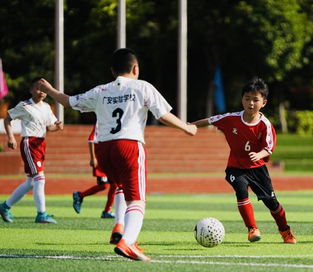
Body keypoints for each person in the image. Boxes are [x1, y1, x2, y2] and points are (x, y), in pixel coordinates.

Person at [38, 48, 197, 261]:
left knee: (121, 187)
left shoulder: (101, 90)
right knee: (138, 200)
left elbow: (68, 102)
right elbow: (162, 114)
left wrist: (49, 89)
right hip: (129, 145)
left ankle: (120, 228)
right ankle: (127, 242)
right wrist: (187, 128)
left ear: (113, 71)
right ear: (135, 68)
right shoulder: (142, 87)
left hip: (104, 149)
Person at [192, 77, 296, 244]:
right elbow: (210, 120)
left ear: (264, 102)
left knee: (272, 203)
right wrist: (191, 125)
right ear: (242, 100)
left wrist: (259, 155)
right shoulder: (231, 119)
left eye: (255, 100)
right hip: (236, 167)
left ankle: (285, 231)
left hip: (257, 169)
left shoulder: (265, 125)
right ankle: (252, 229)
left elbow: (269, 147)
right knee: (241, 191)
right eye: (247, 99)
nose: (251, 103)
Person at [0, 77, 63, 224]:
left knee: (30, 182)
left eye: (44, 89)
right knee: (40, 179)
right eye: (38, 88)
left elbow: (49, 128)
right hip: (30, 142)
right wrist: (11, 138)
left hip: (41, 143)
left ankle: (5, 206)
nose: (41, 92)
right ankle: (41, 214)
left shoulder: (47, 107)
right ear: (31, 90)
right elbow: (7, 119)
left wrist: (57, 126)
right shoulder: (24, 105)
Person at [72, 123, 118, 219]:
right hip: (101, 158)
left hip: (110, 158)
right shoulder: (100, 121)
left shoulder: (111, 119)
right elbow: (91, 139)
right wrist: (93, 158)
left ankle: (107, 211)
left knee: (114, 185)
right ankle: (80, 195)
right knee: (103, 185)